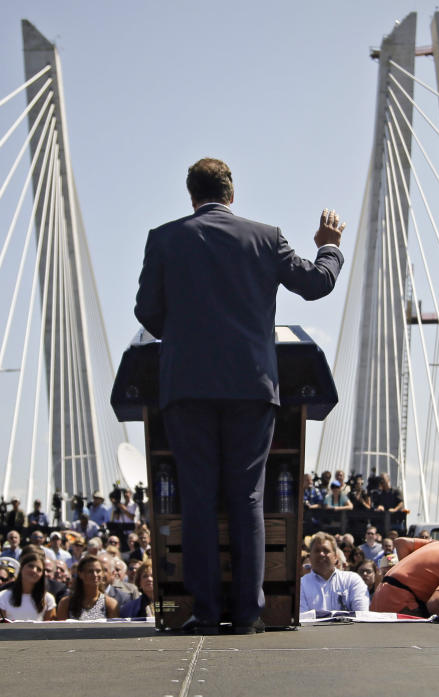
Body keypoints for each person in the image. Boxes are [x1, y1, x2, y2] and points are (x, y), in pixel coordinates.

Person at [134, 157, 344, 635]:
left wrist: (188, 339)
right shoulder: (266, 237)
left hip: (186, 389)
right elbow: (316, 283)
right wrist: (329, 247)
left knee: (198, 499)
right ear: (232, 194)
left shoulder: (164, 238)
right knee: (247, 497)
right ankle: (249, 614)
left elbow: (148, 311)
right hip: (252, 388)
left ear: (191, 196)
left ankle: (206, 612)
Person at [300, 533, 370, 613]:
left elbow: (361, 616)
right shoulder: (301, 585)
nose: (321, 554)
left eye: (326, 551)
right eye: (317, 551)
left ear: (335, 557)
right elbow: (303, 620)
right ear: (310, 557)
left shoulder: (352, 580)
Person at [0, 551, 56, 621]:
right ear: (21, 568)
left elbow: (49, 629)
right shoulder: (1, 597)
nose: (34, 570)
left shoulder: (48, 599)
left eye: (39, 569)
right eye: (30, 566)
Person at [57, 555, 119, 620]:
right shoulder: (66, 603)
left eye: (98, 571)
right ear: (81, 574)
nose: (95, 575)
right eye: (90, 571)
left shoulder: (110, 604)